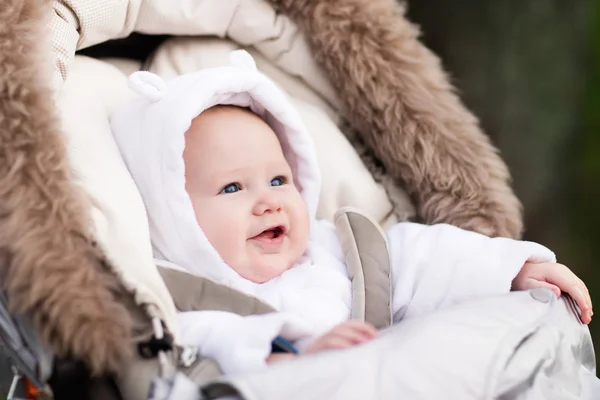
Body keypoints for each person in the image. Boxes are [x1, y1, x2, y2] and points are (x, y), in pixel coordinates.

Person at [110, 50, 593, 375]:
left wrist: (514, 270)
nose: (270, 201)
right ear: (171, 213)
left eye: (279, 179)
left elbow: (424, 260)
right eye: (232, 187)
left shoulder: (337, 249)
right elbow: (200, 350)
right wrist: (290, 355)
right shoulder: (180, 298)